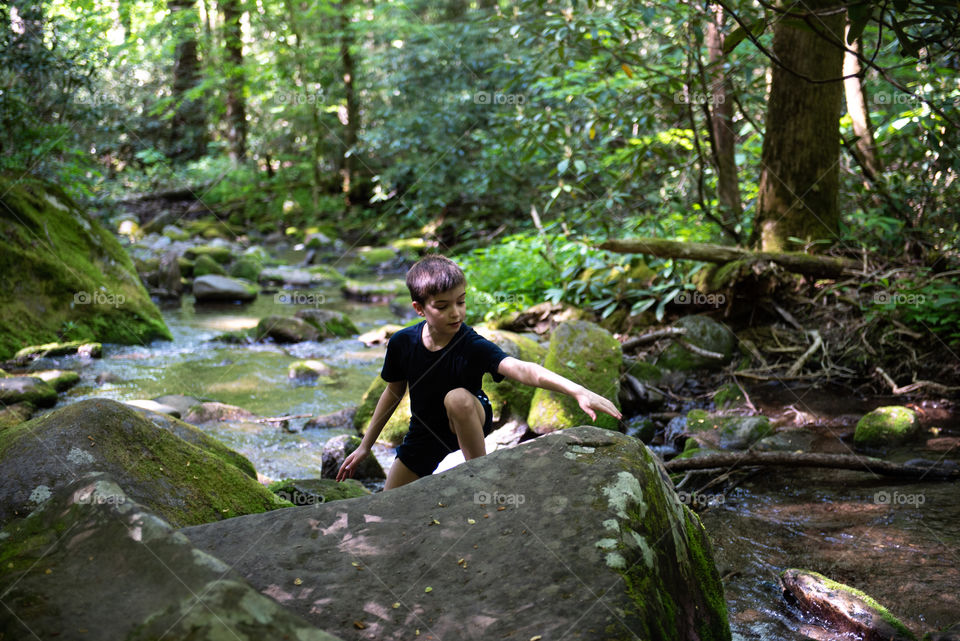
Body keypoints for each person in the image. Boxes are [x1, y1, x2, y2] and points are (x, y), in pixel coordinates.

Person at [336, 254, 621, 490]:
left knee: (457, 398)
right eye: (443, 306)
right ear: (419, 308)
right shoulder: (402, 343)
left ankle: (481, 478)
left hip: (470, 414)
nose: (456, 313)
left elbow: (522, 369)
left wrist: (578, 390)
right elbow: (392, 393)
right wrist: (365, 446)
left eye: (461, 302)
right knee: (388, 507)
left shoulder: (470, 343)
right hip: (425, 432)